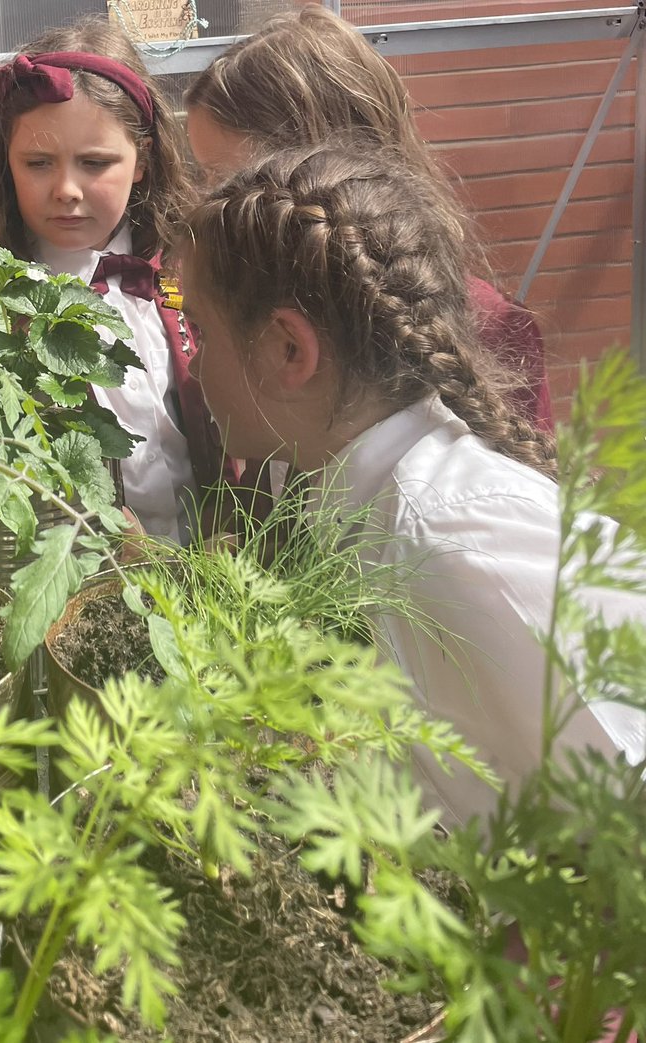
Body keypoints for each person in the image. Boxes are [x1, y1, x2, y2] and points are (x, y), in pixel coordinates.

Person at [180, 142, 645, 825]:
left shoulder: (452, 539)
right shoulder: (349, 502)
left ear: (288, 350)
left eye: (199, 334)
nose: (192, 367)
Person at [184, 3, 554, 433]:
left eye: (227, 178)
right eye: (205, 176)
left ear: (323, 164)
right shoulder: (251, 312)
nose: (206, 199)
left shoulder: (486, 326)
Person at [0, 18, 231, 545]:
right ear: (6, 164)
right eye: (38, 162)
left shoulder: (193, 266)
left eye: (95, 162)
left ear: (142, 161)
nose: (66, 188)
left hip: (220, 570)